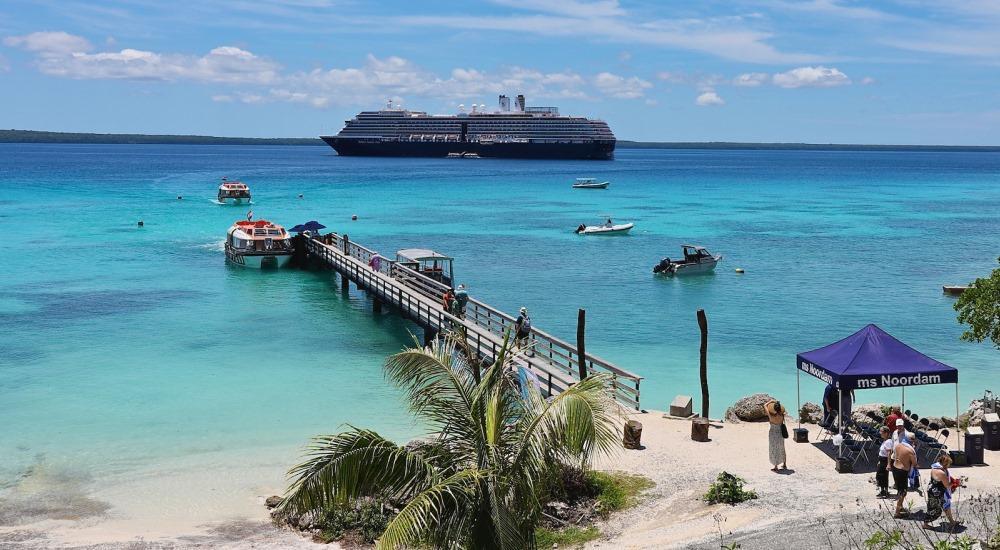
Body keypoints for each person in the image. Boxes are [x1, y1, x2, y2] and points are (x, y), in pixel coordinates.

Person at [923, 452, 962, 531]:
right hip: (937, 492)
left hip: (933, 489)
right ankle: (925, 524)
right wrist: (956, 483)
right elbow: (947, 485)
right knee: (934, 509)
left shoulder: (935, 467)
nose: (949, 466)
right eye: (948, 464)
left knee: (946, 506)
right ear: (945, 463)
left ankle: (951, 521)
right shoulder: (941, 472)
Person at [890, 438, 918, 518]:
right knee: (903, 492)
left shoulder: (898, 446)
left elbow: (894, 456)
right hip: (902, 471)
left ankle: (900, 507)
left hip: (895, 468)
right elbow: (914, 464)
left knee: (899, 490)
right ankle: (897, 512)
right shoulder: (910, 451)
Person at [764, 399, 787, 472]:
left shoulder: (771, 416)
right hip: (780, 433)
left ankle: (776, 466)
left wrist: (770, 401)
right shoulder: (782, 415)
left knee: (774, 448)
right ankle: (784, 464)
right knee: (782, 447)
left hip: (773, 433)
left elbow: (764, 405)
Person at [876, 426, 893, 498]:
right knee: (880, 475)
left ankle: (885, 491)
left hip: (885, 460)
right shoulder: (885, 441)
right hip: (882, 460)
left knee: (884, 476)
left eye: (881, 432)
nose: (880, 433)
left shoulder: (888, 442)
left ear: (886, 433)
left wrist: (889, 464)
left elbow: (889, 453)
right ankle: (882, 490)